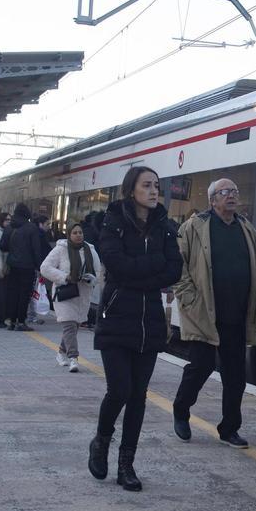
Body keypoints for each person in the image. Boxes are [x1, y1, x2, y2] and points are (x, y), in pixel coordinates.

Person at [89, 166, 182, 492]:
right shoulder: (112, 223)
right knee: (120, 390)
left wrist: (138, 274)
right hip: (116, 318)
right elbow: (117, 266)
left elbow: (174, 270)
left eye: (157, 185)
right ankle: (101, 440)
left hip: (149, 323)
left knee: (139, 396)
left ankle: (126, 464)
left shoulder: (165, 227)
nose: (154, 190)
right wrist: (148, 271)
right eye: (147, 185)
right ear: (132, 191)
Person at [170, 178, 256, 447]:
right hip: (204, 314)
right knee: (201, 367)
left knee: (236, 375)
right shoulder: (195, 227)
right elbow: (179, 265)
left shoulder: (247, 228)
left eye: (234, 191)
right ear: (212, 200)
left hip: (237, 315)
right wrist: (189, 297)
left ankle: (229, 428)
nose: (232, 196)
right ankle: (180, 411)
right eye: (225, 192)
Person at [40, 222, 103, 372]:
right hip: (65, 294)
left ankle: (61, 352)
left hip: (82, 294)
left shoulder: (91, 250)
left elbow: (98, 271)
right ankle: (73, 358)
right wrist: (64, 277)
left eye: (80, 232)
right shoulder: (60, 250)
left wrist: (91, 279)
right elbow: (45, 268)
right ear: (69, 235)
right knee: (69, 325)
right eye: (74, 233)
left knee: (73, 327)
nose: (78, 235)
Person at [2, 203, 47, 331]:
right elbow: (36, 250)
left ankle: (11, 321)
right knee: (24, 294)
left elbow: (2, 245)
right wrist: (40, 267)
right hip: (27, 267)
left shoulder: (10, 227)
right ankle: (21, 322)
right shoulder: (31, 228)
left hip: (12, 266)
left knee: (12, 293)